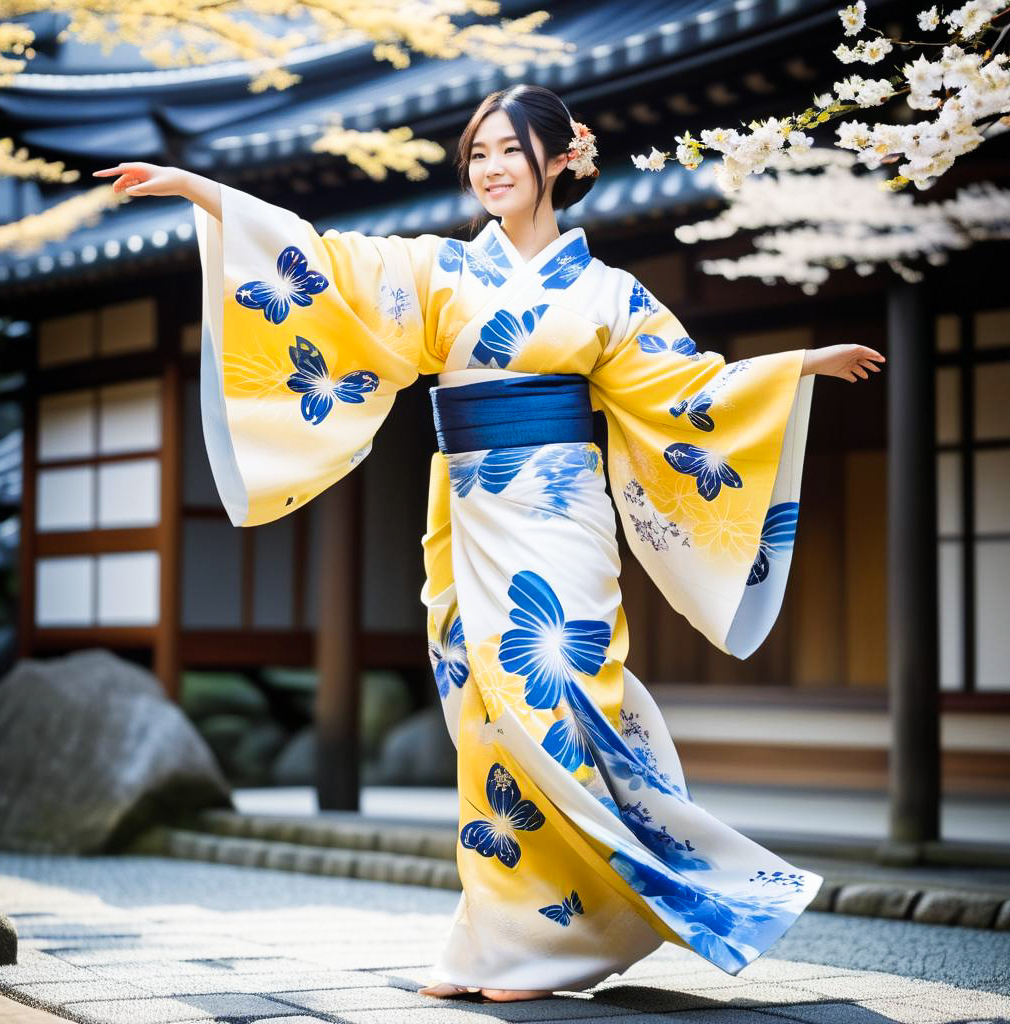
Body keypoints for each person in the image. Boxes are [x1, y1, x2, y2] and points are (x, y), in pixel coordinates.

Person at [94, 83, 884, 1003]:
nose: (491, 169)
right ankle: (502, 944)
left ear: (558, 159)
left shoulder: (606, 293)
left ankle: (598, 918)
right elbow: (327, 265)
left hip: (562, 513)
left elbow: (686, 389)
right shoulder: (439, 270)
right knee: (484, 720)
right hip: (466, 509)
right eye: (477, 155)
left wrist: (793, 369)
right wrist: (203, 191)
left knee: (551, 698)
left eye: (509, 150)